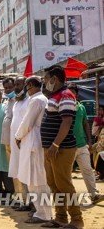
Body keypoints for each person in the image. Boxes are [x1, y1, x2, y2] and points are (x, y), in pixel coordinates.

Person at [41, 65, 83, 228]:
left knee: (64, 184)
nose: (45, 82)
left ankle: (77, 219)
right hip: (51, 148)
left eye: (46, 79)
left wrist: (55, 144)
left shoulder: (66, 95)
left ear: (54, 79)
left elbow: (67, 122)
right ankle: (60, 217)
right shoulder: (55, 95)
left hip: (61, 148)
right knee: (53, 184)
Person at [14, 76, 52, 224]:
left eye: (26, 86)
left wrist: (17, 136)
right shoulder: (39, 99)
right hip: (33, 141)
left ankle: (43, 213)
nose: (26, 90)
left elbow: (27, 122)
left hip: (33, 142)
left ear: (30, 85)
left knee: (36, 180)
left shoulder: (37, 100)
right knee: (35, 180)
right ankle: (40, 211)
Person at [67, 84, 102, 203]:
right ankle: (69, 197)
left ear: (76, 94)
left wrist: (89, 140)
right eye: (68, 92)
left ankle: (94, 194)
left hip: (81, 144)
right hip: (68, 146)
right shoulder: (63, 107)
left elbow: (85, 124)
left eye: (73, 92)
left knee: (87, 169)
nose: (70, 95)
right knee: (66, 173)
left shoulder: (81, 107)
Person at [7, 77, 31, 211]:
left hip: (25, 143)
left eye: (19, 84)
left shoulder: (29, 101)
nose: (16, 87)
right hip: (15, 145)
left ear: (26, 85)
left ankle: (30, 203)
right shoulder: (17, 102)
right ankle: (23, 201)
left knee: (27, 173)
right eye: (15, 84)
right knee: (19, 173)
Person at [1, 77, 15, 157]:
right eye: (6, 88)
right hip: (7, 140)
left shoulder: (19, 101)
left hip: (15, 140)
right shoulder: (6, 103)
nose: (8, 90)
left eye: (10, 87)